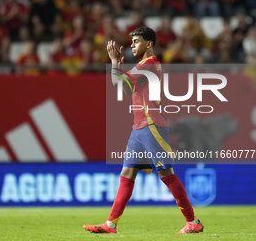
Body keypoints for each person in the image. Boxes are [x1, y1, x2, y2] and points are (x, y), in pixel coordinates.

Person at [83, 27, 204, 234]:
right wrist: (118, 69)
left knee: (167, 174)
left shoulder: (149, 63)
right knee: (127, 173)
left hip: (151, 125)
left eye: (136, 41)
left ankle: (193, 222)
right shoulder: (142, 65)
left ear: (149, 44)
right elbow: (123, 85)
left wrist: (114, 64)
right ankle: (111, 225)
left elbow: (119, 85)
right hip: (139, 128)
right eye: (131, 41)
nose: (132, 45)